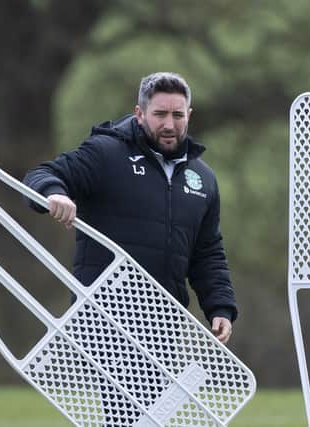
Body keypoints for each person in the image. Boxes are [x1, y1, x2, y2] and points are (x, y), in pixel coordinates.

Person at [23, 72, 236, 345]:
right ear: (140, 113)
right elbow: (40, 174)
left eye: (177, 115)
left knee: (163, 391)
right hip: (105, 318)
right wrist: (55, 194)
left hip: (165, 324)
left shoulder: (203, 179)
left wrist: (220, 307)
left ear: (189, 115)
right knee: (130, 390)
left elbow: (208, 252)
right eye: (160, 114)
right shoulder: (106, 153)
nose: (169, 124)